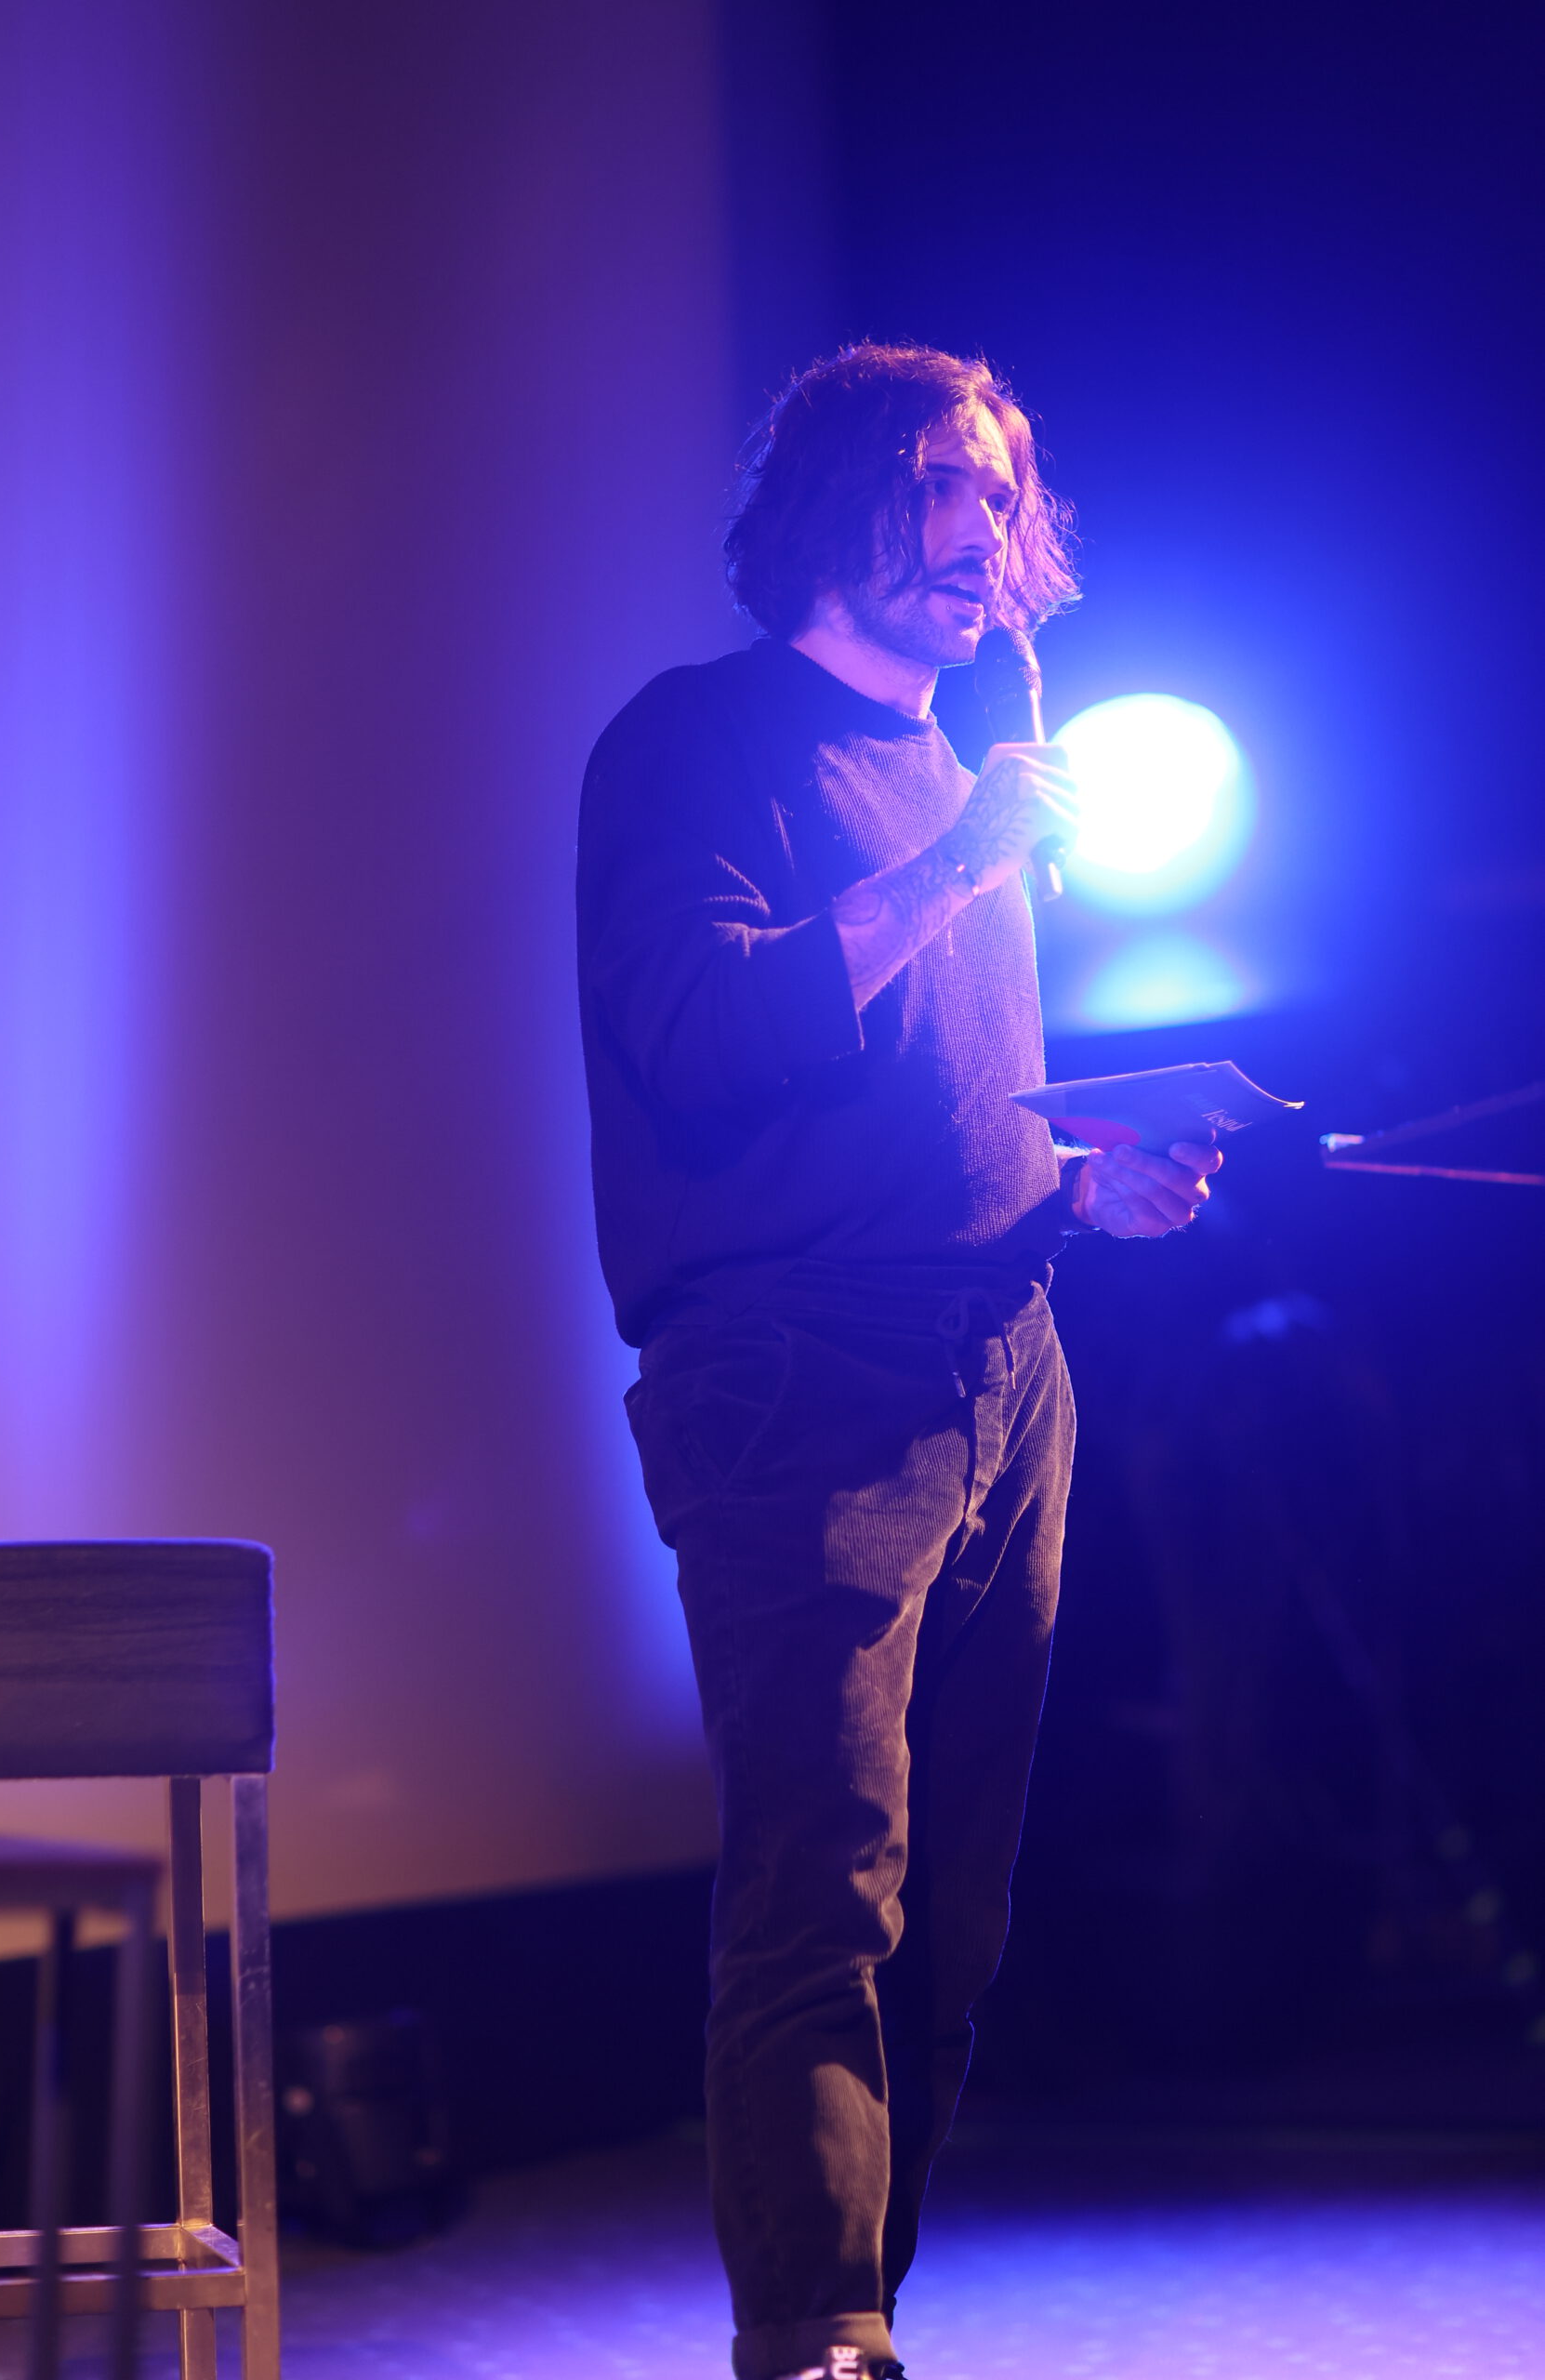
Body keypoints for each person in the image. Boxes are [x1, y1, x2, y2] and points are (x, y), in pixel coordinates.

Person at [576, 343, 1221, 2380]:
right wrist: (957, 865)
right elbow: (708, 1040)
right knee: (820, 1884)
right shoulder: (696, 741)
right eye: (946, 478)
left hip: (1007, 1366)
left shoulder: (976, 787)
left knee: (952, 1914)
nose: (984, 526)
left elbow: (934, 1122)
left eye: (1006, 490)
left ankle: (860, 2313)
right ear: (837, 500)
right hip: (797, 1381)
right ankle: (814, 2337)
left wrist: (1086, 1191)